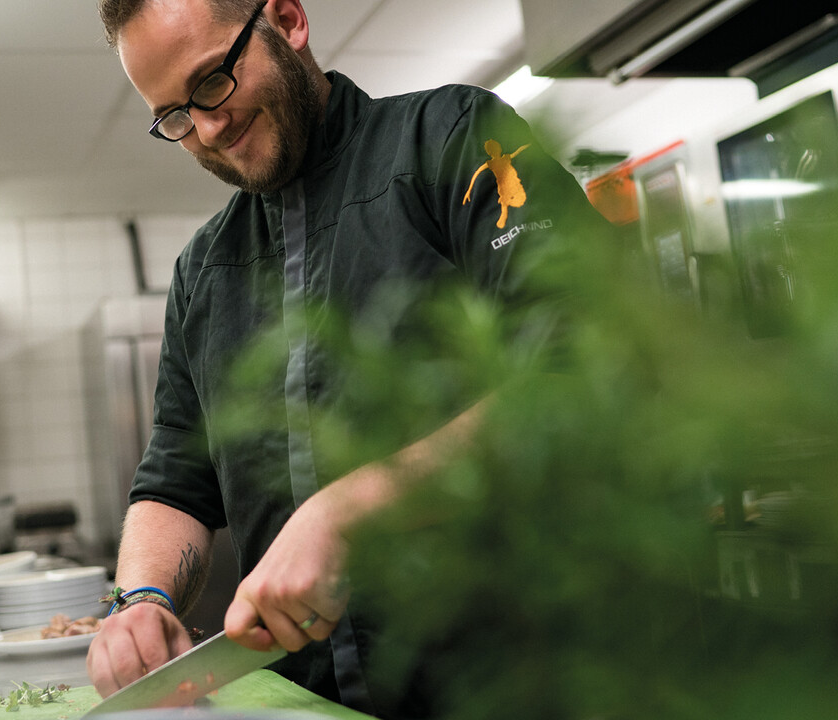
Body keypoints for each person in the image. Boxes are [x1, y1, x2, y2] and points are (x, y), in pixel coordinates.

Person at [87, 1, 609, 717]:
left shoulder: (450, 139)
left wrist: (351, 511)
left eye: (212, 81)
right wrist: (139, 599)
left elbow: (585, 362)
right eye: (174, 115)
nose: (208, 127)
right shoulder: (203, 271)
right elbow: (177, 476)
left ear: (288, 20)